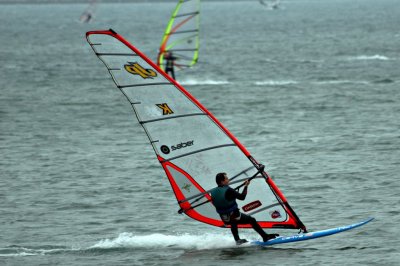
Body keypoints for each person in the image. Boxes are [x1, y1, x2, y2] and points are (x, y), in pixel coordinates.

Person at [210, 171, 279, 245]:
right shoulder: (228, 190)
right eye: (226, 179)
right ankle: (264, 237)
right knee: (251, 220)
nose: (228, 180)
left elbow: (217, 201)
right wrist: (246, 186)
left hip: (224, 218)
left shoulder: (213, 192)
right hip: (234, 215)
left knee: (233, 219)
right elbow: (242, 197)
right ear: (222, 181)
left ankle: (237, 239)